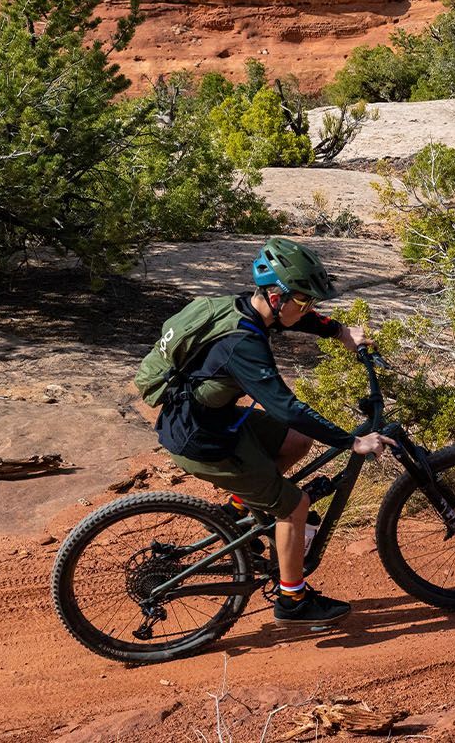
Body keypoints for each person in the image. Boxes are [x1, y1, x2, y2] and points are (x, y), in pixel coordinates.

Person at [157, 237, 390, 624]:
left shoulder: (246, 309)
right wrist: (352, 441)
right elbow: (285, 406)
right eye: (302, 300)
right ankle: (292, 602)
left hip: (209, 420)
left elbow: (301, 318)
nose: (308, 309)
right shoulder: (243, 345)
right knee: (295, 506)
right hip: (202, 441)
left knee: (297, 441)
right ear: (275, 295)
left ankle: (236, 512)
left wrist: (339, 331)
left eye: (310, 301)